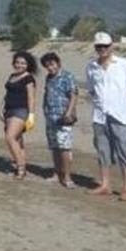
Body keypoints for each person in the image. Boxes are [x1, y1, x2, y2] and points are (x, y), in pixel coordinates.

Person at [85, 32, 126, 201]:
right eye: (99, 46)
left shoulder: (124, 64)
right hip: (100, 116)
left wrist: (122, 104)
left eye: (105, 46)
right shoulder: (91, 67)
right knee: (102, 150)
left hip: (121, 116)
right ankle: (105, 184)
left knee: (123, 150)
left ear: (111, 46)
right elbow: (91, 90)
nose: (102, 49)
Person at [41, 52, 78, 188]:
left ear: (58, 63)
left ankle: (67, 177)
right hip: (51, 117)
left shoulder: (67, 76)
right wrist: (45, 109)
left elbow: (73, 95)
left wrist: (68, 112)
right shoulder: (49, 78)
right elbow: (47, 94)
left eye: (52, 64)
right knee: (54, 147)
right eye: (47, 66)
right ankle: (57, 174)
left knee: (64, 148)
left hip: (63, 117)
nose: (50, 68)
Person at [0, 51, 38, 179]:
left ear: (28, 65)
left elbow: (31, 97)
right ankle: (21, 165)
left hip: (21, 111)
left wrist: (31, 115)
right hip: (8, 110)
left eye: (23, 63)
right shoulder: (12, 76)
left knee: (10, 137)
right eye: (17, 62)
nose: (20, 65)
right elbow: (7, 93)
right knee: (18, 140)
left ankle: (20, 167)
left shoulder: (29, 78)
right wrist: (1, 108)